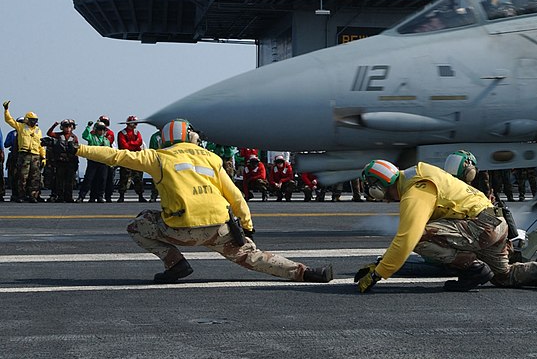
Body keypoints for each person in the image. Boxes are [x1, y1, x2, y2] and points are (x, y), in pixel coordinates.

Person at [54, 118, 332, 284]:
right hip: (220, 228)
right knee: (253, 257)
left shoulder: (158, 157)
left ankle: (174, 263)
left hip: (181, 228)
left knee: (138, 225)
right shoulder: (211, 158)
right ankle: (307, 273)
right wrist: (246, 226)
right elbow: (235, 195)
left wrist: (75, 147)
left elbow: (114, 156)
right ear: (191, 136)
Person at [354, 159, 537, 293]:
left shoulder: (415, 193)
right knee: (504, 276)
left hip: (480, 227)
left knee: (418, 237)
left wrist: (378, 274)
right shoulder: (422, 171)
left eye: (371, 189)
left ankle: (473, 269)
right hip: (495, 224)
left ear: (378, 186)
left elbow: (406, 238)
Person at [3, 101, 46, 203]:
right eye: (32, 120)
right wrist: (6, 110)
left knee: (35, 177)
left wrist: (43, 157)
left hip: (35, 156)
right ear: (27, 120)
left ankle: (33, 196)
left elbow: (41, 145)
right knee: (22, 177)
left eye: (35, 120)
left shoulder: (38, 130)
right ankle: (20, 196)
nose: (33, 122)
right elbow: (9, 120)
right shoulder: (21, 127)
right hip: (24, 155)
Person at [46, 119, 79, 202]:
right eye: (66, 127)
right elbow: (49, 133)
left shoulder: (74, 137)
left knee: (70, 180)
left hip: (70, 161)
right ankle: (60, 196)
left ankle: (68, 197)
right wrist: (54, 125)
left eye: (69, 127)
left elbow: (77, 150)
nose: (67, 128)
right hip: (60, 162)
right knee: (59, 180)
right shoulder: (59, 135)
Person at [78, 120, 111, 202]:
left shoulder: (106, 140)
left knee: (102, 179)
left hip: (103, 162)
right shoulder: (92, 137)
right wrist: (88, 127)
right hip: (93, 161)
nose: (101, 131)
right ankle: (81, 196)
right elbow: (84, 136)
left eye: (103, 129)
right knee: (88, 179)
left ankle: (99, 196)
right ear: (96, 129)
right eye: (100, 129)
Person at [117, 115, 146, 202]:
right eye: (134, 123)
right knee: (124, 177)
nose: (136, 125)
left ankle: (140, 195)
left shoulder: (137, 133)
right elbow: (123, 145)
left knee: (138, 177)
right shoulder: (122, 133)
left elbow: (139, 142)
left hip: (136, 157)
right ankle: (121, 196)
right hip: (126, 157)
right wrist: (134, 144)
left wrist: (130, 144)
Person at [97, 115, 116, 203]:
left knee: (109, 178)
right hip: (98, 158)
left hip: (108, 158)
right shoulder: (94, 133)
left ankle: (108, 196)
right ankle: (97, 195)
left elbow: (109, 142)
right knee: (98, 178)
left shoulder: (110, 133)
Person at [148, 129, 162, 202]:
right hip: (158, 161)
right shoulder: (155, 137)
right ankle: (154, 196)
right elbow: (152, 150)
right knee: (156, 180)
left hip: (168, 160)